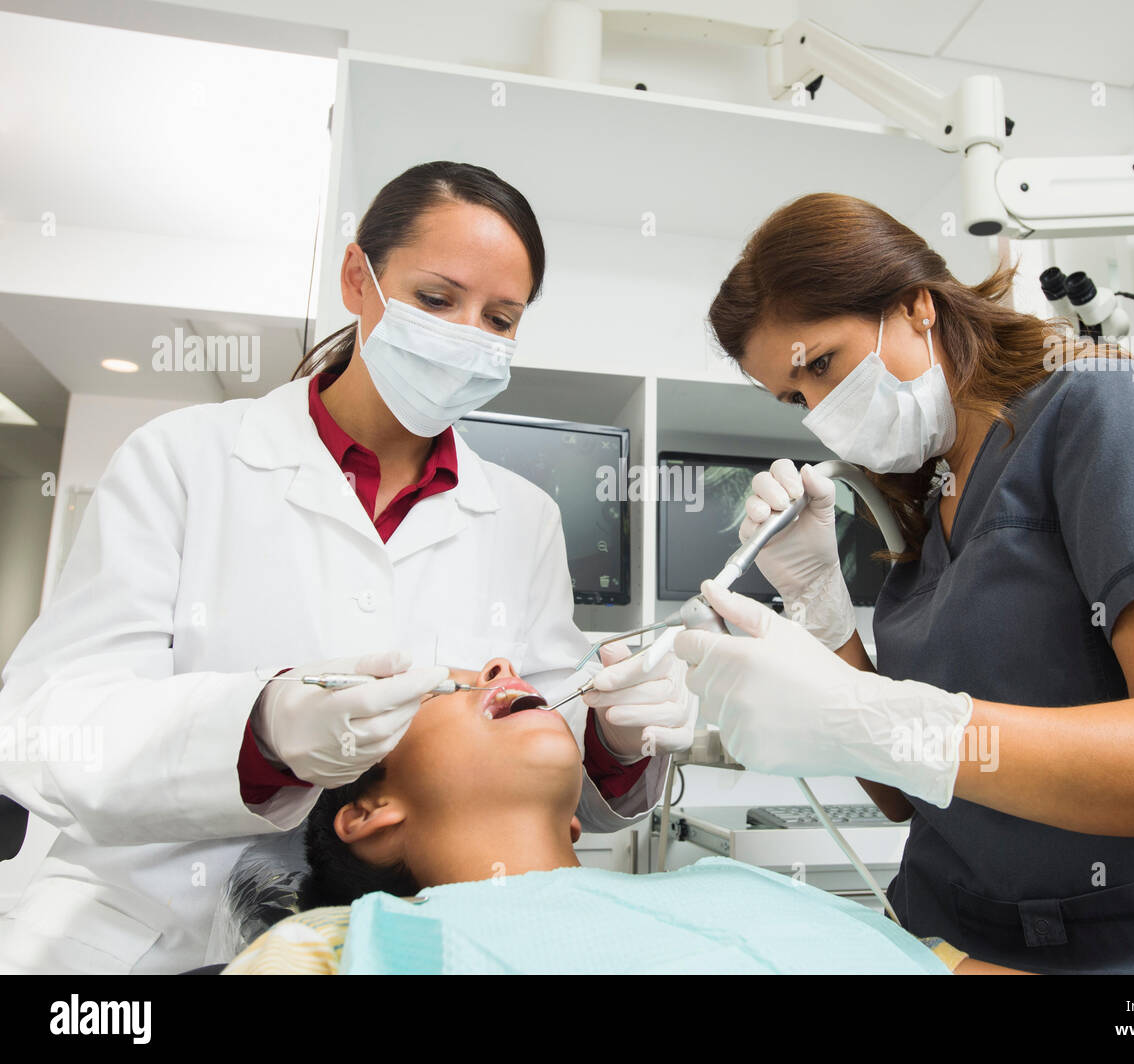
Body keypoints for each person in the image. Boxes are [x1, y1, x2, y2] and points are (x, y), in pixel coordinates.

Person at [0, 162, 691, 975]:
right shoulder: (185, 459)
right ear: (358, 278)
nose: (468, 334)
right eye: (437, 300)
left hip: (405, 945)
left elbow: (543, 766)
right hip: (143, 936)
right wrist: (260, 730)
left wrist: (615, 739)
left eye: (500, 318)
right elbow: (48, 724)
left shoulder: (523, 518)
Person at [673, 192, 1134, 974]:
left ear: (915, 308)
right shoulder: (928, 499)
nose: (822, 414)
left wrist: (869, 711)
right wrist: (825, 618)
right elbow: (910, 792)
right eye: (797, 398)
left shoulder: (1101, 412)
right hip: (989, 941)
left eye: (823, 365)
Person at [222, 657, 1022, 975]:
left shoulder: (726, 885)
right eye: (444, 690)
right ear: (367, 813)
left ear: (578, 821)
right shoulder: (353, 950)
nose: (501, 667)